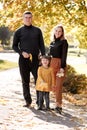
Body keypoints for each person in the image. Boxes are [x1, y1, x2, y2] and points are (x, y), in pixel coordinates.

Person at [12, 11, 45, 108]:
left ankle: (40, 102)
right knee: (25, 81)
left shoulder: (37, 30)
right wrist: (21, 52)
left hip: (36, 59)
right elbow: (14, 46)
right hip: (23, 60)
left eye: (29, 17)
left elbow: (42, 45)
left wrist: (43, 56)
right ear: (23, 18)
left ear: (32, 18)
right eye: (26, 17)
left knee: (38, 81)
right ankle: (28, 101)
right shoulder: (18, 31)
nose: (28, 19)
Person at [49, 25, 68, 114]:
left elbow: (64, 55)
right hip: (52, 64)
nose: (57, 32)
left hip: (60, 65)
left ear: (62, 33)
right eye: (56, 31)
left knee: (59, 86)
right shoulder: (52, 42)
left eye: (59, 31)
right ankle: (56, 104)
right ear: (54, 31)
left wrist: (62, 67)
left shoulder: (64, 42)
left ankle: (59, 106)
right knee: (54, 86)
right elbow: (49, 54)